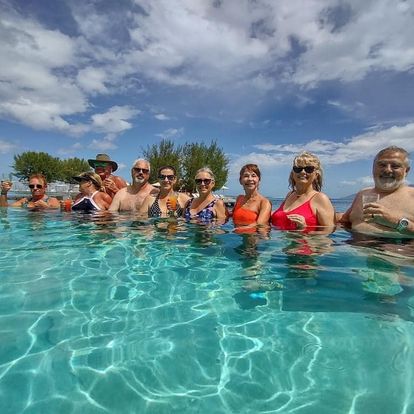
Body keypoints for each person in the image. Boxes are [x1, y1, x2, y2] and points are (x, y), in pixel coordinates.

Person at [339, 146, 414, 237]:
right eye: (382, 165)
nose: (387, 170)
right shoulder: (363, 194)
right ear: (373, 168)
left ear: (406, 171)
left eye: (395, 166)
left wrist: (395, 222)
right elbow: (344, 220)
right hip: (352, 248)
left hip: (393, 250)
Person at [271, 151, 335, 231]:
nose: (303, 172)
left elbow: (328, 233)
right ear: (293, 173)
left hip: (305, 242)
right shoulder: (290, 195)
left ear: (316, 175)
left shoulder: (321, 198)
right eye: (298, 169)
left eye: (309, 169)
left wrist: (305, 227)